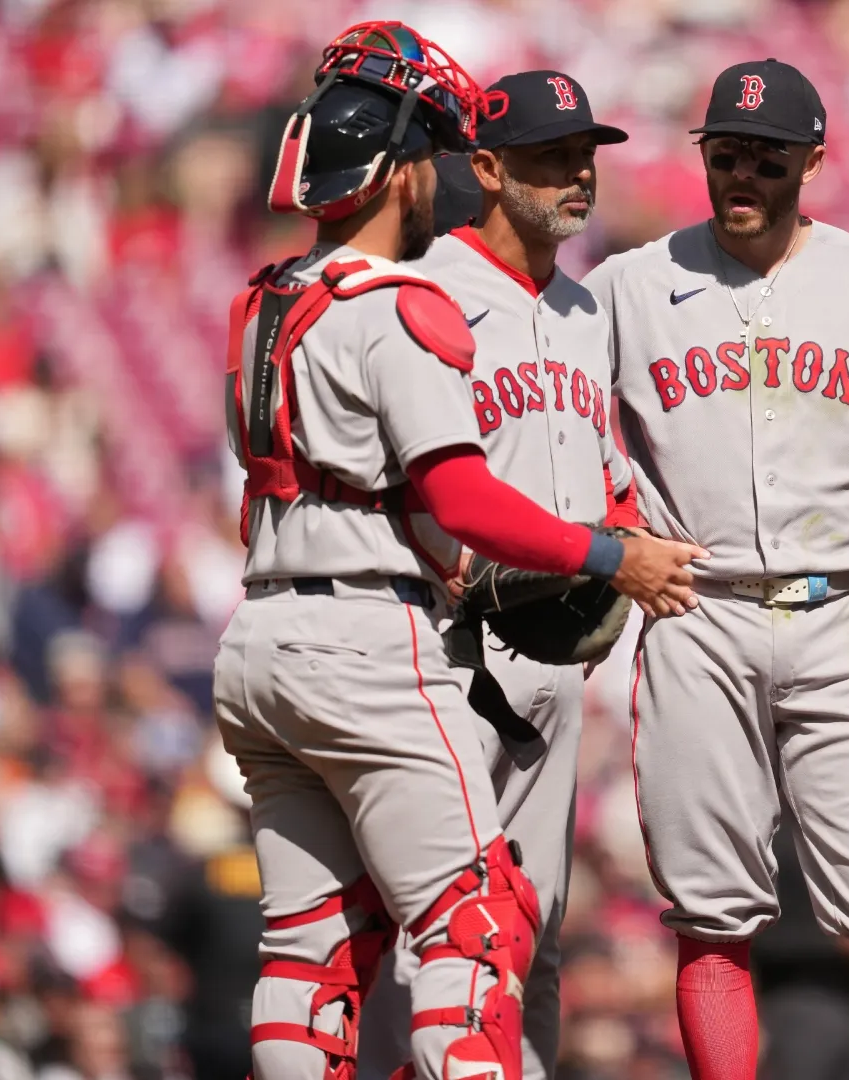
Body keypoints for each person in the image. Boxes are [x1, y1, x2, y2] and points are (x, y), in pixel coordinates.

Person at [211, 24, 704, 1080]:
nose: (445, 176)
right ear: (400, 170)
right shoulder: (400, 303)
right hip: (370, 643)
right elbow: (460, 495)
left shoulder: (265, 302)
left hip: (261, 640)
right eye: (435, 152)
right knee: (477, 921)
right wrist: (611, 557)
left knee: (309, 952)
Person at [580, 58, 849, 1080]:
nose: (742, 173)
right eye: (724, 154)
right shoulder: (628, 286)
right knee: (709, 913)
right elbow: (561, 434)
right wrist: (617, 536)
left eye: (766, 156)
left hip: (840, 612)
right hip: (694, 614)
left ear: (809, 161)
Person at [358, 69, 635, 1080]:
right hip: (447, 653)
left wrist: (619, 536)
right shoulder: (427, 286)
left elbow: (608, 471)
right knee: (436, 927)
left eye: (584, 153)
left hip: (554, 662)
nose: (576, 173)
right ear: (484, 167)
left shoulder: (584, 308)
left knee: (542, 933)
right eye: (549, 156)